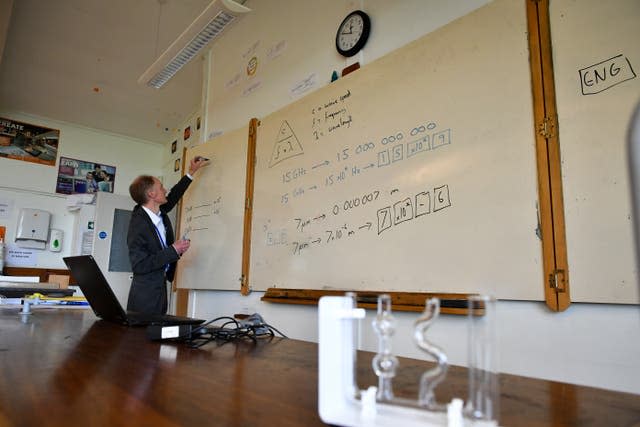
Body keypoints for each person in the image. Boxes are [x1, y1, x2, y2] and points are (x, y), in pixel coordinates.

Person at [126, 156, 208, 314]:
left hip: (160, 285)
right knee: (142, 337)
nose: (165, 190)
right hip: (145, 294)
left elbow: (174, 196)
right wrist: (173, 250)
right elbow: (139, 265)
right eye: (161, 187)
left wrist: (191, 172)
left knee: (157, 332)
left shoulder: (158, 212)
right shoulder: (138, 225)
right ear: (151, 194)